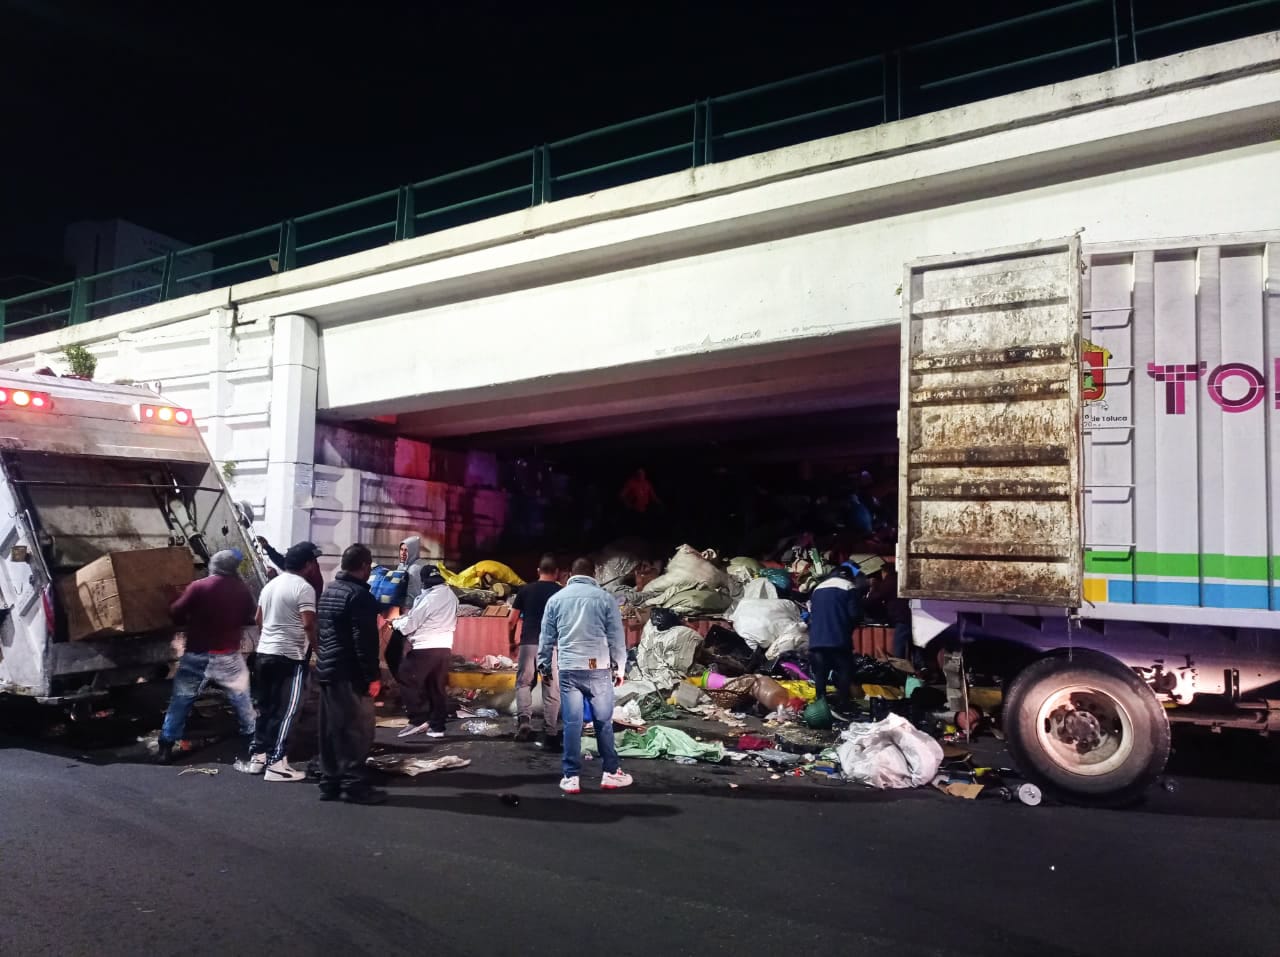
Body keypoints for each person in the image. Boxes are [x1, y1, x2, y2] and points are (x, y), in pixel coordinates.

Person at [538, 557, 632, 794]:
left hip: (569, 668)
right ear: (594, 574)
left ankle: (571, 777)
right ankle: (611, 773)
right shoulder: (605, 598)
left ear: (571, 574)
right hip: (598, 668)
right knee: (603, 723)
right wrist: (620, 668)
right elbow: (616, 638)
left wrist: (544, 666)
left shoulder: (556, 599)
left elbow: (546, 637)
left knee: (572, 724)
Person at [157, 549, 257, 765]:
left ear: (213, 565)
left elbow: (176, 613)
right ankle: (252, 741)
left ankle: (166, 745)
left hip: (198, 653)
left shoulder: (199, 587)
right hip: (228, 655)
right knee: (241, 698)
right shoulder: (242, 590)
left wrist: (174, 600)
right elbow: (249, 616)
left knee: (181, 699)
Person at [236, 543, 318, 781]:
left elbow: (258, 618)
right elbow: (308, 623)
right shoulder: (304, 587)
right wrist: (317, 650)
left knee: (265, 708)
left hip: (264, 654)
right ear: (308, 565)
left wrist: (269, 638)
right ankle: (276, 764)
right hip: (291, 656)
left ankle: (258, 758)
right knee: (289, 710)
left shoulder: (270, 586)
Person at [315, 544, 385, 804]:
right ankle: (353, 785)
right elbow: (364, 641)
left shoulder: (329, 590)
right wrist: (372, 676)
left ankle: (330, 782)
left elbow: (321, 631)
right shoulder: (360, 596)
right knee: (357, 730)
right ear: (365, 566)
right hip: (350, 672)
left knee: (331, 729)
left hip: (328, 669)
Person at [390, 564, 458, 739]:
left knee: (406, 677)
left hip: (425, 647)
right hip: (444, 646)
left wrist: (396, 623)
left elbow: (410, 625)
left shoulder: (429, 598)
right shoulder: (450, 595)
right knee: (436, 687)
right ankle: (437, 727)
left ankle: (418, 718)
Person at [510, 554, 562, 747]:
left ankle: (524, 721)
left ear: (538, 571)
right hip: (551, 647)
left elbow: (511, 620)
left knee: (523, 683)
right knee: (550, 687)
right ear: (556, 572)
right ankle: (550, 730)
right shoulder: (561, 592)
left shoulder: (525, 590)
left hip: (528, 645)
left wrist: (511, 642)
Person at [806, 562, 867, 717]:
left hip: (816, 640)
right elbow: (854, 614)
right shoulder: (849, 587)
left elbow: (812, 613)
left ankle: (821, 706)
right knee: (845, 671)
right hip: (838, 639)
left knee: (820, 675)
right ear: (848, 576)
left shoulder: (818, 588)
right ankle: (843, 704)